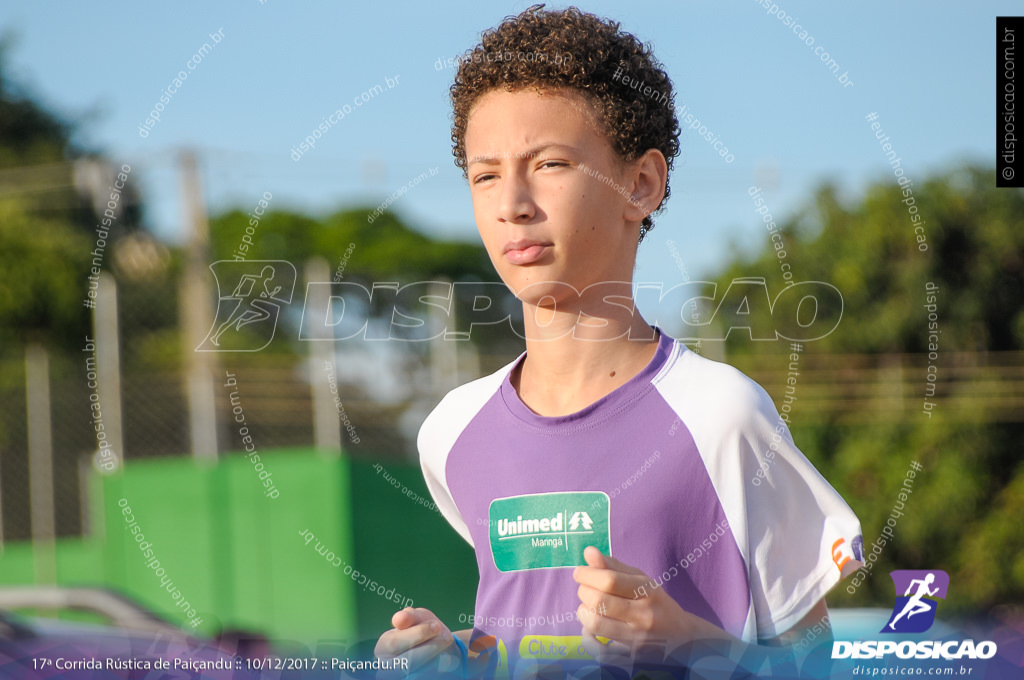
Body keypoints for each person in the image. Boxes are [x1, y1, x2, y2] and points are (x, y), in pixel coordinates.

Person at [375, 5, 863, 676]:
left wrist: (692, 644)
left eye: (548, 163)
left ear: (641, 184)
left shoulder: (723, 416)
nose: (511, 201)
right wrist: (456, 653)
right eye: (485, 174)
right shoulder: (452, 432)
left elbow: (816, 663)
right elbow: (525, 629)